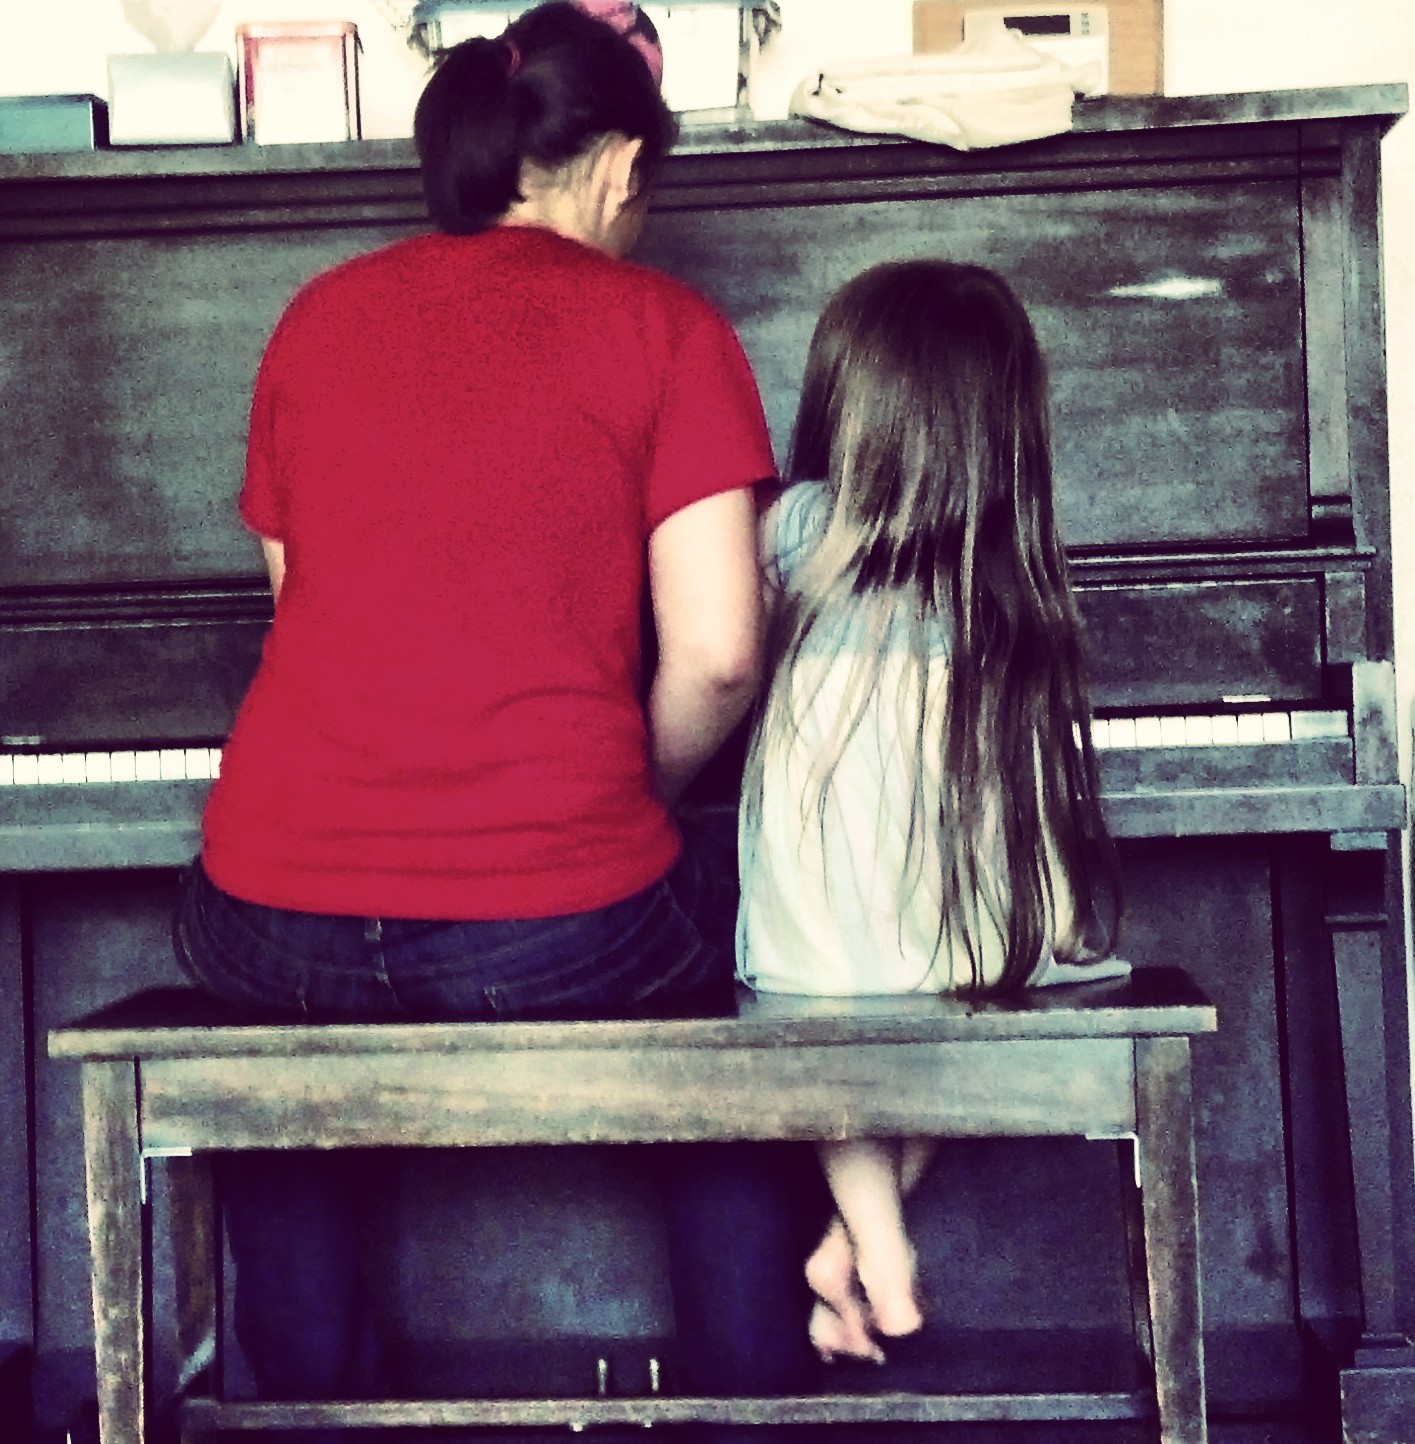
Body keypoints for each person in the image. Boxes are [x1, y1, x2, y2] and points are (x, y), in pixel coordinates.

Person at [173, 0, 816, 1421]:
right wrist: (607, 806)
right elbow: (719, 657)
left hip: (268, 909)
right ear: (620, 169)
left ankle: (315, 1399)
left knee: (283, 1013)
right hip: (550, 931)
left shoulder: (316, 318)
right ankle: (752, 1384)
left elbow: (302, 611)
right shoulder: (669, 327)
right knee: (747, 915)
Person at [736, 259, 1126, 1367]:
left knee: (830, 1026)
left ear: (843, 398)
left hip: (819, 910)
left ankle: (868, 1249)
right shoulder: (1003, 560)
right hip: (965, 902)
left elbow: (733, 670)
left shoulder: (791, 528)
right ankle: (857, 1249)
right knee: (982, 1007)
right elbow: (1034, 764)